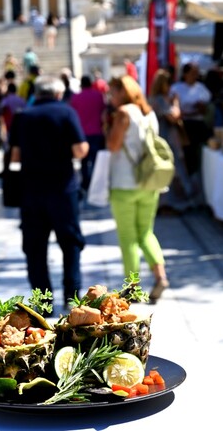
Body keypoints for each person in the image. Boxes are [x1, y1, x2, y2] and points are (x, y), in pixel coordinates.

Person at [10, 75, 89, 306]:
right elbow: (80, 150)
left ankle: (43, 302)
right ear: (58, 93)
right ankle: (71, 297)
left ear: (35, 93)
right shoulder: (66, 113)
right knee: (70, 243)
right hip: (63, 188)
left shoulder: (22, 116)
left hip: (31, 191)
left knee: (35, 247)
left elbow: (15, 156)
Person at [106, 75, 169, 302]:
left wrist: (107, 127)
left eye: (113, 92)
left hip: (124, 183)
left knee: (128, 238)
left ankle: (132, 289)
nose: (110, 98)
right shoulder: (149, 113)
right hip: (149, 181)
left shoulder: (124, 113)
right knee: (146, 233)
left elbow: (112, 145)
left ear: (122, 92)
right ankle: (160, 276)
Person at [149, 69, 193, 214]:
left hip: (162, 140)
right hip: (167, 140)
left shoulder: (153, 99)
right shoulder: (160, 100)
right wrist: (176, 103)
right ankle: (170, 203)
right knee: (174, 170)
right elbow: (173, 116)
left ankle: (166, 203)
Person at [170, 62, 213, 191]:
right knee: (187, 155)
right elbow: (175, 109)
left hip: (198, 126)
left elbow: (204, 109)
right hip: (184, 127)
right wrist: (187, 112)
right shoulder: (176, 89)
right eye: (193, 73)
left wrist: (197, 109)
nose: (195, 75)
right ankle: (188, 184)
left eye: (196, 73)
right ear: (185, 74)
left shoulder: (201, 89)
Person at [70, 75, 106, 194]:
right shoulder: (98, 96)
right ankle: (96, 183)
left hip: (82, 134)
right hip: (97, 132)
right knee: (96, 161)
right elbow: (103, 110)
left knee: (84, 161)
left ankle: (85, 184)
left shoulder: (76, 97)